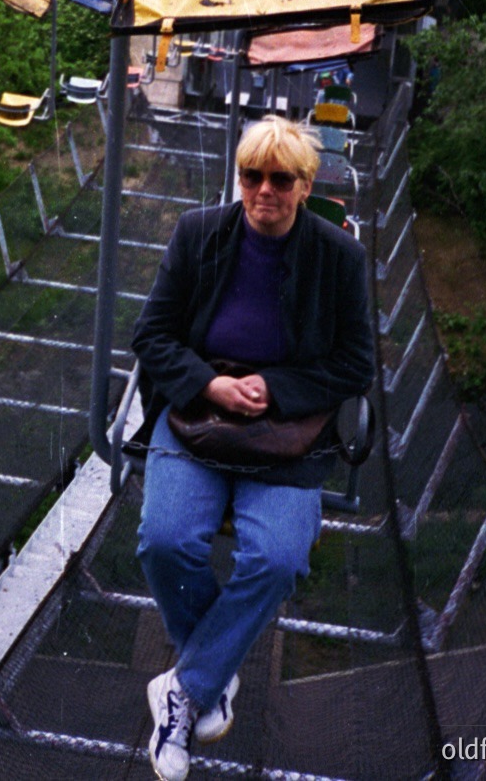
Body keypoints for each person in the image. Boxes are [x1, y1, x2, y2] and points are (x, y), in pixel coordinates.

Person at [132, 116, 375, 781]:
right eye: (252, 176)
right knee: (164, 539)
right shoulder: (199, 236)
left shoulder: (338, 258)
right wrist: (211, 382)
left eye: (280, 179)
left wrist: (274, 387)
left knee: (278, 557)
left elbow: (356, 363)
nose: (263, 190)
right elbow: (152, 335)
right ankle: (206, 678)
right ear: (238, 178)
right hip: (198, 416)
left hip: (286, 431)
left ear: (305, 185)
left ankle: (185, 689)